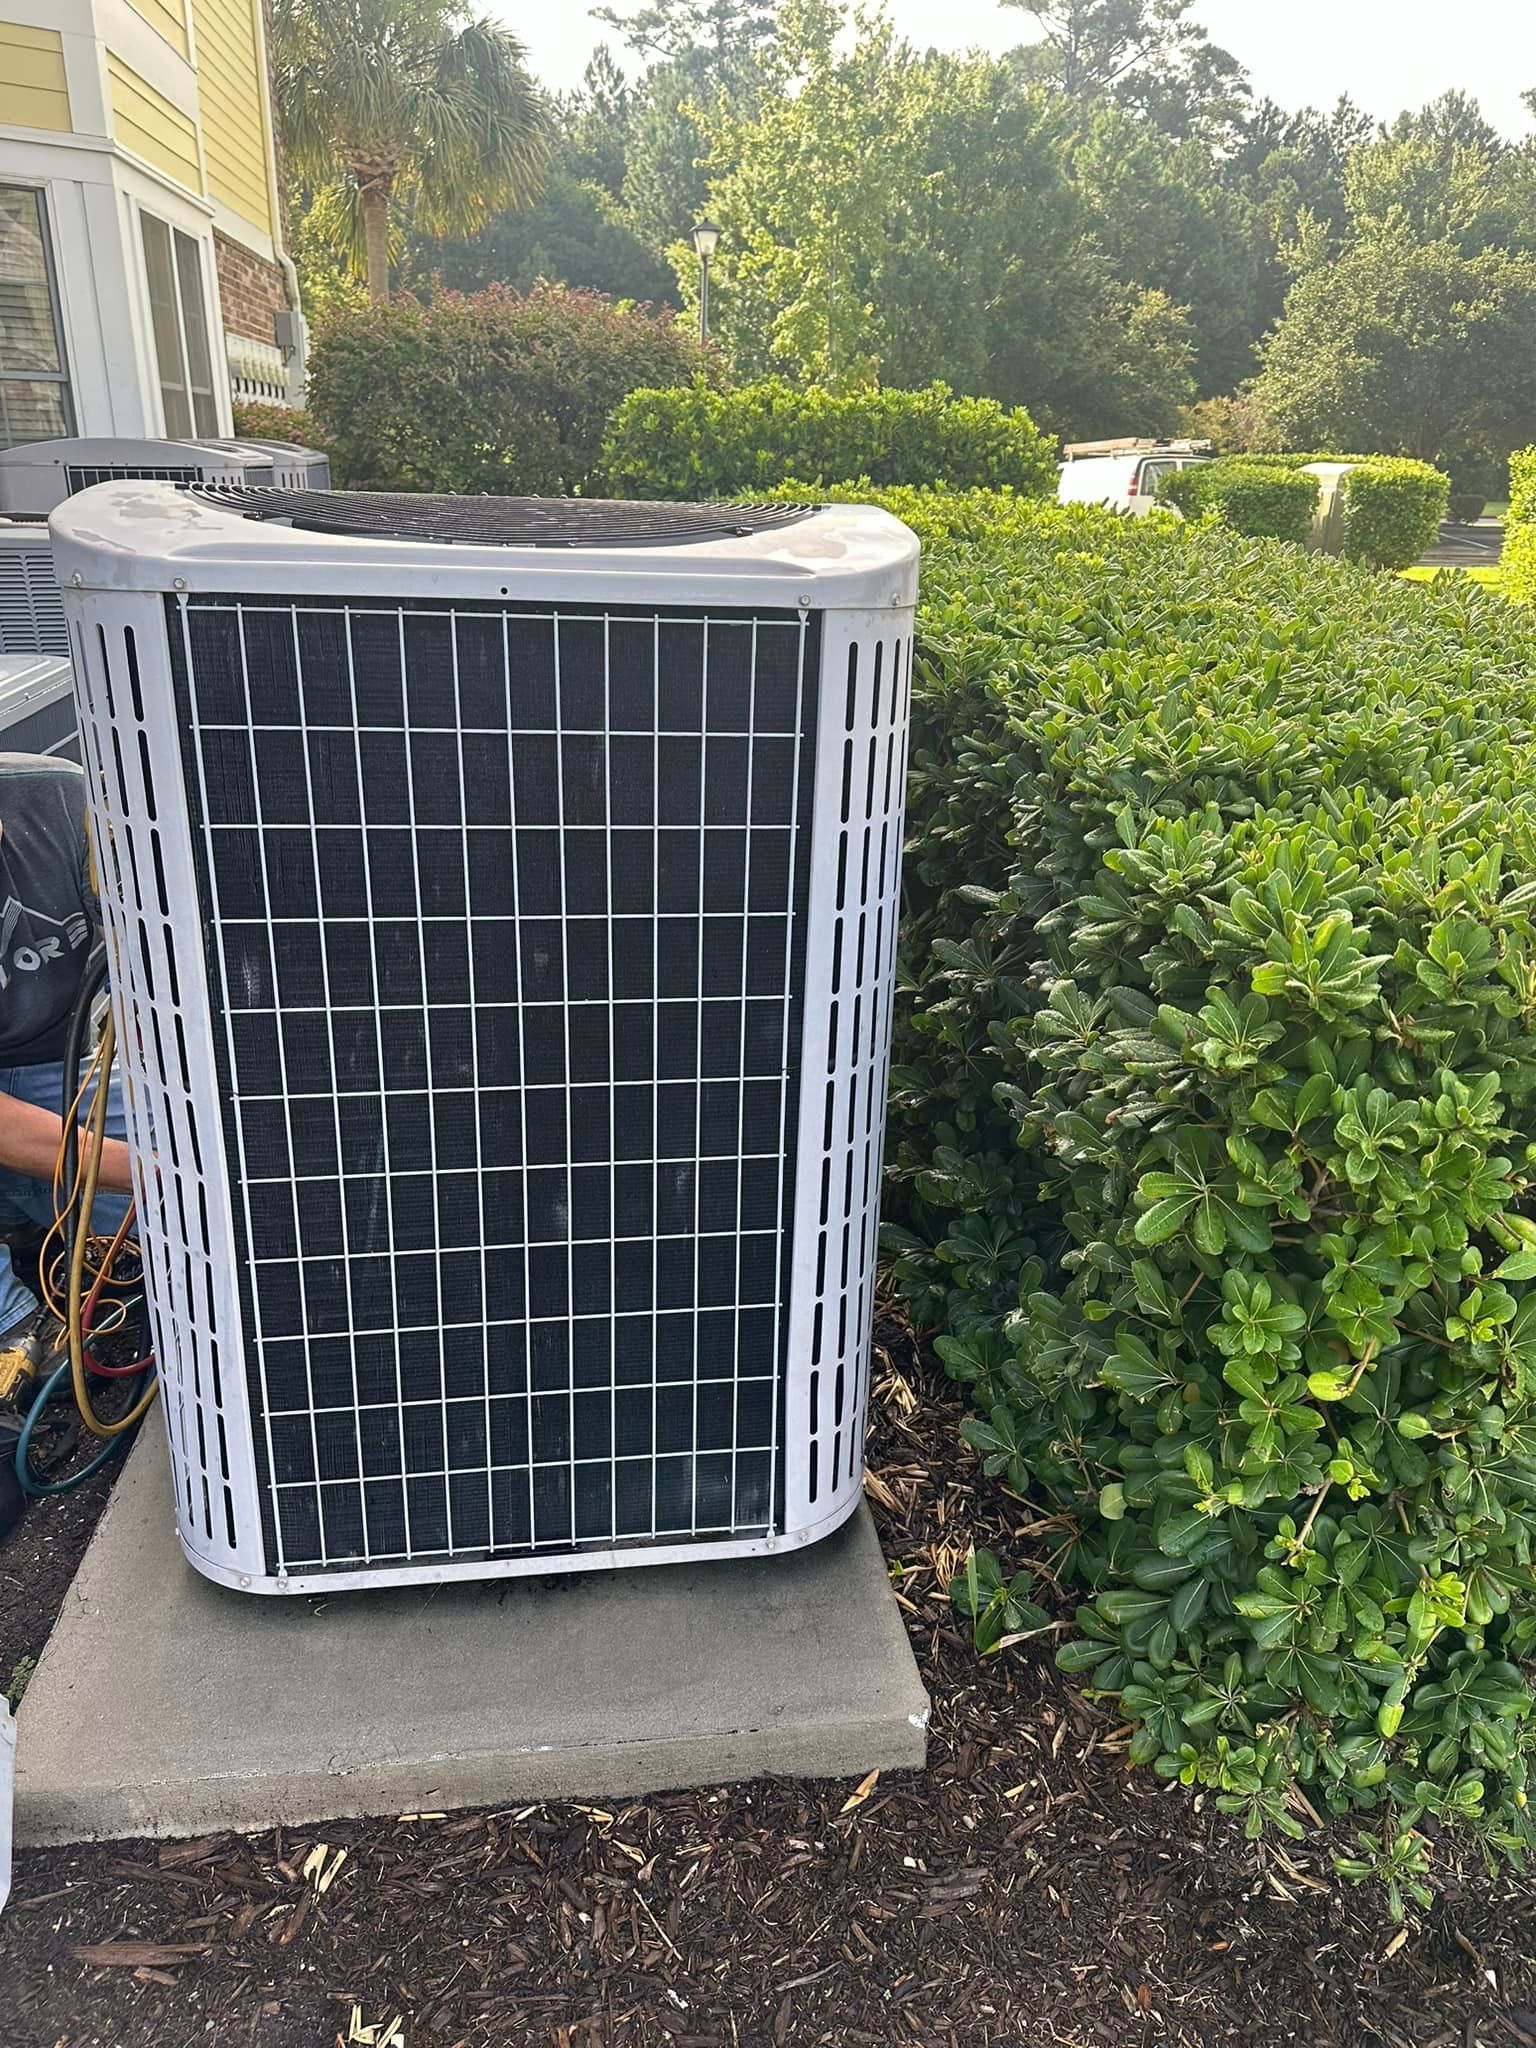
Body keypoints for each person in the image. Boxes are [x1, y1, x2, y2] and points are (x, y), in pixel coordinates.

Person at [0, 754, 133, 1402]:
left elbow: (150, 977)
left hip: (72, 1060)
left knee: (162, 1238)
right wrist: (153, 1172)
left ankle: (46, 1239)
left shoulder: (61, 797)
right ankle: (13, 1325)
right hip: (10, 1121)